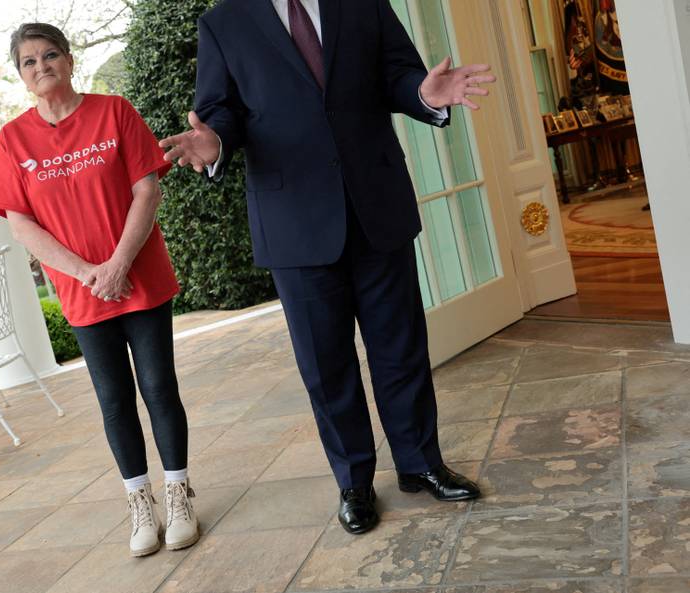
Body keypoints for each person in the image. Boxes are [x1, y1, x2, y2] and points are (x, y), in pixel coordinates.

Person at [160, 0, 493, 535]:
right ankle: (354, 481)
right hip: (294, 223)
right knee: (326, 364)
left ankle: (420, 464)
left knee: (401, 349)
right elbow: (220, 111)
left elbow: (400, 75)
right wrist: (213, 140)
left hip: (376, 206)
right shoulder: (223, 23)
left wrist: (424, 95)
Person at [0, 22, 198, 557]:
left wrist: (120, 262)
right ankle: (139, 502)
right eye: (28, 62)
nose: (41, 67)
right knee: (114, 400)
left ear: (69, 60)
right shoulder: (12, 140)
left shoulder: (114, 112)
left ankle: (178, 494)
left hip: (140, 279)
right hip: (84, 294)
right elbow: (21, 225)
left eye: (49, 55)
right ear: (21, 75)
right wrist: (88, 273)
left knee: (158, 386)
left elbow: (146, 189)